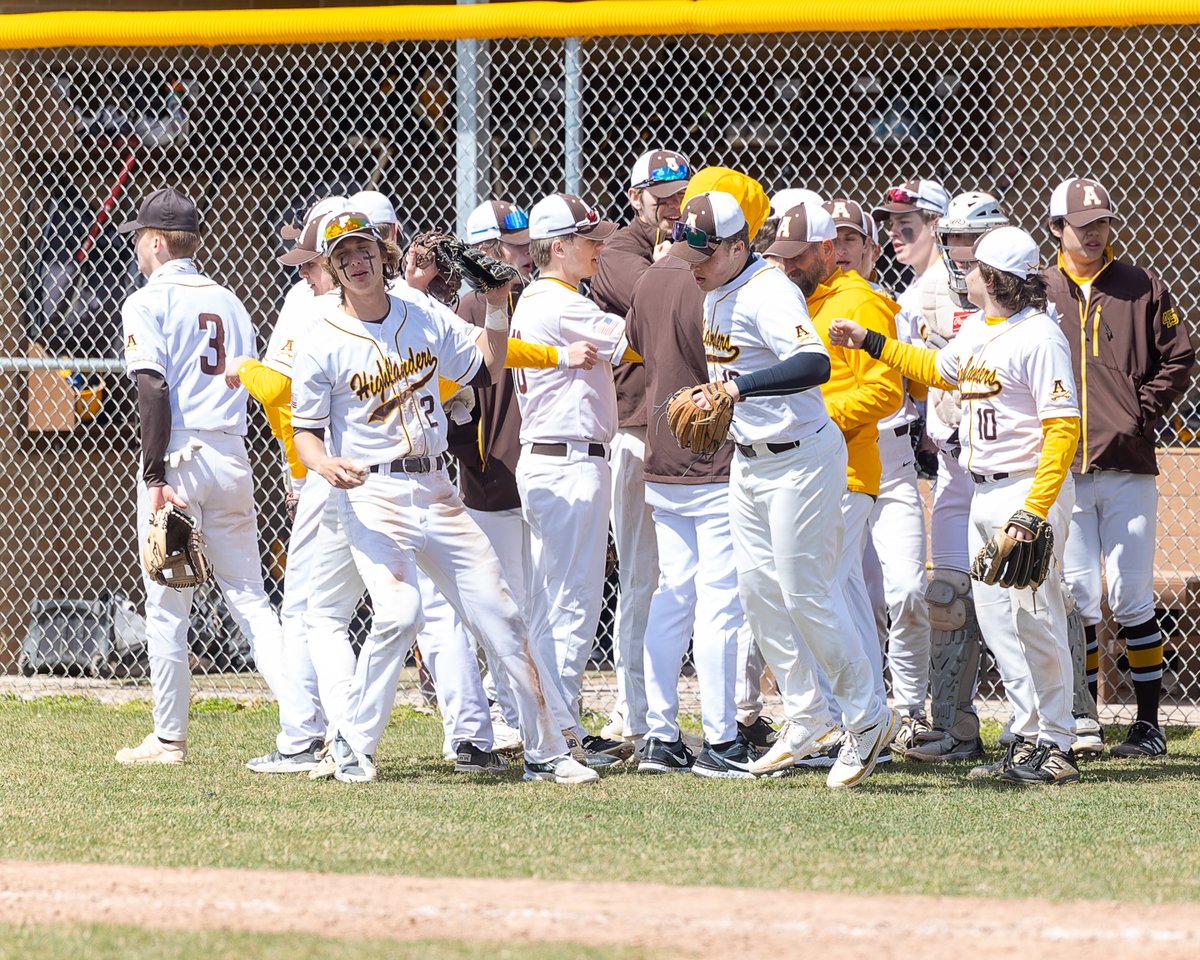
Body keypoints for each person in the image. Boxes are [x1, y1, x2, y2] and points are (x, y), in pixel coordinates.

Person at [289, 209, 596, 785]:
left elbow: (488, 362)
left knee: (502, 613)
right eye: (344, 256)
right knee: (401, 612)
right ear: (332, 266)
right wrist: (322, 463)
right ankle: (353, 745)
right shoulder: (320, 339)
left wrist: (499, 302)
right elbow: (304, 430)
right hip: (372, 490)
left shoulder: (421, 312)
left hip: (436, 487)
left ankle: (547, 749)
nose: (357, 263)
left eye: (365, 252)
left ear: (383, 257)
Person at [832, 225, 1084, 785]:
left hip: (1026, 487)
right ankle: (1027, 734)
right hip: (984, 489)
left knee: (1034, 616)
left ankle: (1059, 739)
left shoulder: (1039, 336)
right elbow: (933, 369)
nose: (964, 273)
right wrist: (869, 342)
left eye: (974, 267)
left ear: (993, 279)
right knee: (998, 621)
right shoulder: (982, 330)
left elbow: (1063, 429)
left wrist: (1033, 511)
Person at [672, 188, 898, 789]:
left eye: (703, 253)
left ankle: (868, 717)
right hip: (751, 460)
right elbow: (736, 369)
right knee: (757, 593)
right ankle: (806, 715)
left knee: (807, 592)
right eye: (687, 252)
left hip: (802, 459)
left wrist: (738, 391)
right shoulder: (713, 289)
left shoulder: (767, 288)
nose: (692, 263)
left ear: (738, 245)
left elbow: (814, 363)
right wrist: (715, 393)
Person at [115, 186, 285, 765]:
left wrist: (153, 471)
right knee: (252, 599)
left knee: (167, 606)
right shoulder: (231, 299)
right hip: (233, 454)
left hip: (179, 459)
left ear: (158, 242)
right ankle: (307, 726)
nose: (137, 247)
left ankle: (169, 739)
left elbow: (153, 387)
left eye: (140, 237)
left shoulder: (146, 299)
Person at [1043, 177, 1195, 758]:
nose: (1095, 233)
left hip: (1128, 464)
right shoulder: (1039, 290)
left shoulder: (1140, 285)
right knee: (1079, 594)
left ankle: (1149, 725)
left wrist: (1140, 412)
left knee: (1130, 596)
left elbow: (1179, 354)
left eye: (1102, 223)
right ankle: (1084, 720)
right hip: (1064, 469)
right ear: (1056, 228)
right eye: (1082, 226)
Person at [627, 168, 765, 778]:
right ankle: (721, 738)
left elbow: (631, 344)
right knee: (719, 604)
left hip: (662, 456)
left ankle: (660, 734)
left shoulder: (657, 271)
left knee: (671, 595)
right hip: (716, 459)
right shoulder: (725, 280)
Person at [763, 201, 903, 758]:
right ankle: (863, 720)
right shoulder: (805, 300)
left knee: (818, 596)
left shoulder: (861, 301)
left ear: (826, 253)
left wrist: (813, 413)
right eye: (781, 256)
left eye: (797, 257)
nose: (786, 266)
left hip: (845, 472)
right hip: (809, 470)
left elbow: (887, 392)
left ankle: (851, 722)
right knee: (837, 596)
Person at [510, 192, 641, 763]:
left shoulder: (551, 296)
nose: (596, 248)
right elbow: (638, 339)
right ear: (557, 247)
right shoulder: (558, 300)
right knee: (571, 604)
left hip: (558, 461)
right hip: (567, 463)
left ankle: (551, 725)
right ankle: (558, 734)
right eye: (586, 240)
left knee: (554, 605)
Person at [589, 148, 691, 749]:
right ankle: (635, 712)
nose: (673, 209)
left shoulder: (687, 242)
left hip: (692, 437)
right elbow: (661, 298)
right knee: (642, 577)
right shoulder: (619, 251)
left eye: (681, 197)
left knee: (691, 581)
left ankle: (680, 708)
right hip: (633, 432)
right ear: (635, 199)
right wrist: (681, 259)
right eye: (661, 199)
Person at [903, 190, 1009, 763]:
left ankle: (1054, 724)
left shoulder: (1024, 291)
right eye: (957, 239)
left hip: (1007, 464)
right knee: (945, 592)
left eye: (975, 239)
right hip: (951, 456)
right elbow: (923, 365)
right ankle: (952, 726)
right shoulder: (926, 291)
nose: (964, 251)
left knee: (1028, 590)